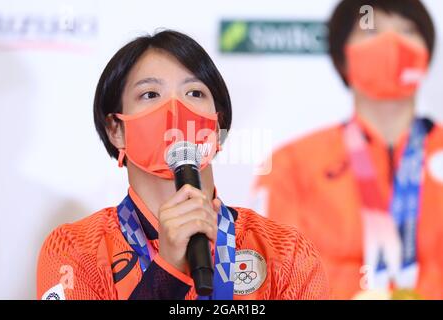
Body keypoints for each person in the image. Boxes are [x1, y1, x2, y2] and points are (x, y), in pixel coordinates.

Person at [36, 30, 329, 300]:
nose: (176, 110)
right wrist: (166, 269)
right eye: (150, 94)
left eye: (194, 93)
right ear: (116, 129)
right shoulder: (75, 249)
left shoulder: (286, 252)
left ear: (218, 125)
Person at [256, 0, 443, 299]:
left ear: (427, 55)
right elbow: (272, 276)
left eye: (408, 30)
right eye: (372, 31)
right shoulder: (292, 164)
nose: (391, 43)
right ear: (342, 56)